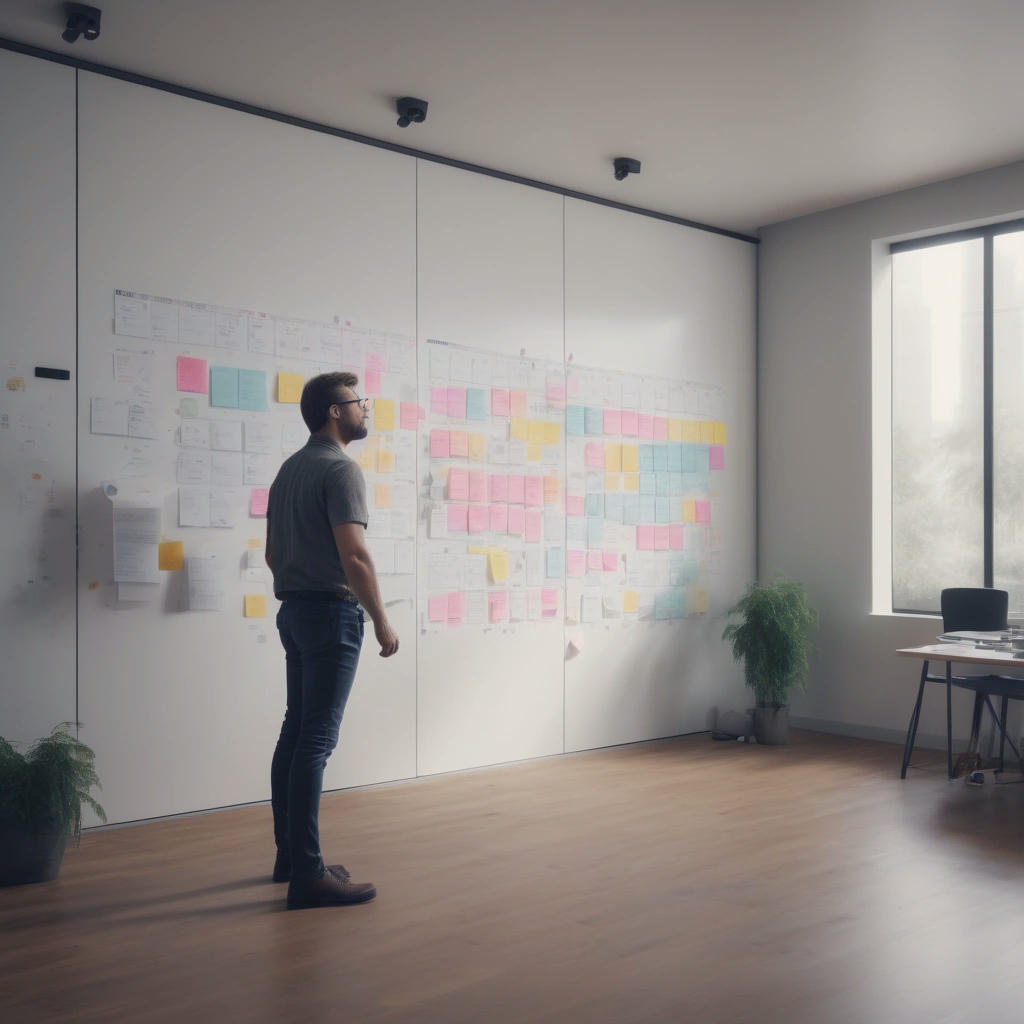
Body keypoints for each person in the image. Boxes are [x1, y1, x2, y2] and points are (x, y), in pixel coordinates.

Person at [265, 371, 399, 910]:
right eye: (357, 402)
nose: (365, 409)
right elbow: (356, 555)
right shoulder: (340, 469)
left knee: (296, 734)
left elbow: (274, 555)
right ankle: (309, 875)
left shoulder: (289, 470)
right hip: (330, 614)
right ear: (334, 411)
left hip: (294, 611)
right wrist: (382, 621)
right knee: (315, 742)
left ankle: (291, 857)